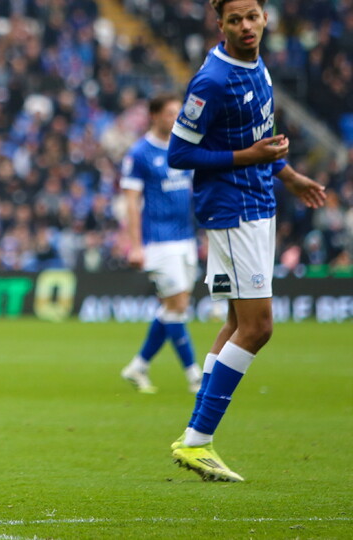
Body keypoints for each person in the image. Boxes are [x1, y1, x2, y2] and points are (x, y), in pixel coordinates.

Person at [167, 0, 326, 482]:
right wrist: (247, 157)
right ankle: (197, 440)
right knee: (258, 328)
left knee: (237, 321)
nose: (245, 26)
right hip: (233, 209)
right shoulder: (212, 81)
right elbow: (178, 153)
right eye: (234, 20)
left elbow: (260, 135)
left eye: (252, 16)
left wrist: (290, 175)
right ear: (220, 24)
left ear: (263, 17)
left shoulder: (258, 66)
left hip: (258, 201)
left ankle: (194, 437)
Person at [119, 94, 202, 395]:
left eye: (178, 112)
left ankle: (138, 366)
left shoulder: (184, 147)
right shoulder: (140, 153)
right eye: (170, 113)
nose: (176, 117)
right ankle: (195, 375)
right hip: (159, 241)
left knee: (173, 308)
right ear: (154, 115)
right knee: (178, 305)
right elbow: (130, 202)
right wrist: (135, 246)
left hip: (186, 238)